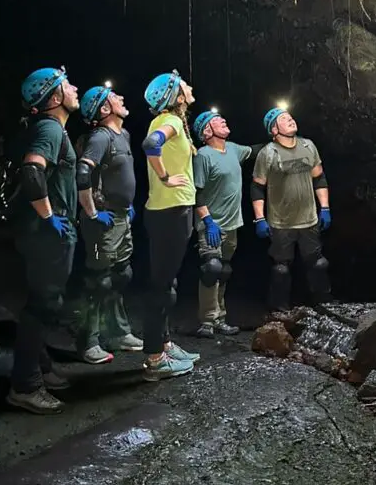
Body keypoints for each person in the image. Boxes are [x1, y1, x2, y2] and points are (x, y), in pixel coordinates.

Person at [7, 67, 79, 415]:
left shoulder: (50, 128)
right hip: (46, 233)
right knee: (42, 305)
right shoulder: (50, 128)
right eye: (67, 85)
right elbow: (33, 171)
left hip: (41, 231)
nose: (74, 88)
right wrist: (49, 216)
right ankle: (25, 385)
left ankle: (42, 368)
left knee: (42, 300)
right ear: (54, 98)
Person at [75, 84, 144, 364]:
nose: (122, 98)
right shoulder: (100, 138)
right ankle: (88, 342)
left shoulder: (123, 134)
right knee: (98, 281)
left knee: (120, 274)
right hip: (102, 220)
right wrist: (91, 213)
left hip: (120, 217)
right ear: (104, 109)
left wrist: (128, 208)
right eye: (115, 98)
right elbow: (82, 174)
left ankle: (118, 332)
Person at [140, 69, 201, 380]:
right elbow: (151, 144)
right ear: (177, 96)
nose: (189, 87)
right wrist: (165, 176)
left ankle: (163, 343)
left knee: (167, 282)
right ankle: (153, 357)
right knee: (161, 286)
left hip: (169, 209)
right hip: (171, 210)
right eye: (184, 85)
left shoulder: (171, 121)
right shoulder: (172, 121)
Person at [251, 107, 332, 312]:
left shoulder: (308, 145)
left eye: (290, 117)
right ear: (273, 130)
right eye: (283, 119)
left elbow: (319, 177)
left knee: (318, 263)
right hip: (281, 222)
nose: (290, 120)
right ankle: (279, 309)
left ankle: (324, 304)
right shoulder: (268, 153)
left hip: (309, 219)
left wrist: (325, 208)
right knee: (281, 268)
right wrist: (259, 219)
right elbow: (257, 187)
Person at [192, 110, 261, 338]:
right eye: (216, 120)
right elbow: (197, 193)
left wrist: (278, 139)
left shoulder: (233, 149)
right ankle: (207, 321)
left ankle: (220, 317)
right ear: (207, 131)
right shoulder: (203, 155)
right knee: (211, 268)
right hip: (211, 223)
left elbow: (256, 150)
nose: (223, 120)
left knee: (224, 270)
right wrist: (208, 221)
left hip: (232, 224)